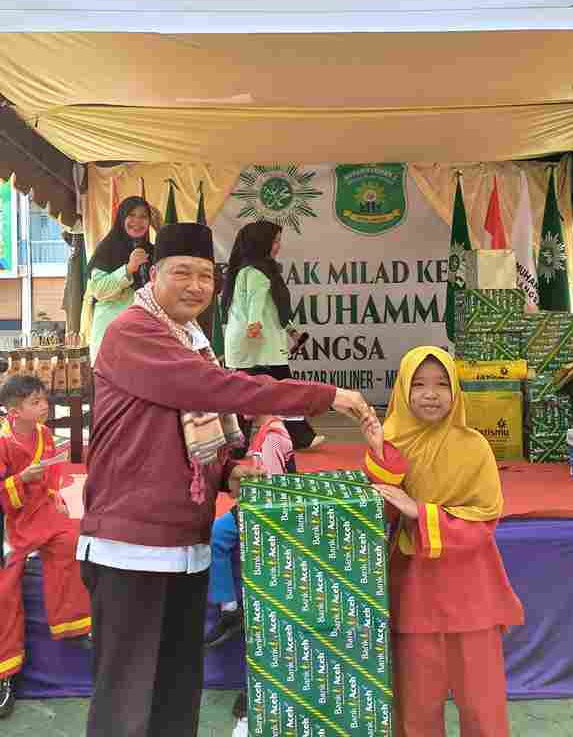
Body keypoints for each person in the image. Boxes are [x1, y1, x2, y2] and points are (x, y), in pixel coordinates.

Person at [77, 222, 369, 737]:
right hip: (131, 544)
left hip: (186, 542)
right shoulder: (133, 332)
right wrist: (324, 396)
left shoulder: (192, 340)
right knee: (126, 702)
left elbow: (188, 435)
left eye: (205, 276)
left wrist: (230, 470)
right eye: (182, 273)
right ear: (152, 275)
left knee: (175, 694)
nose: (195, 286)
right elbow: (215, 389)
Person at [360, 346, 524, 737]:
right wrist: (379, 454)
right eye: (418, 384)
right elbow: (379, 517)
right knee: (415, 706)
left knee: (482, 705)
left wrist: (421, 511)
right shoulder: (391, 442)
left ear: (455, 391)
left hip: (472, 591)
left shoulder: (474, 447)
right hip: (414, 590)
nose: (430, 394)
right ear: (402, 390)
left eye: (441, 384)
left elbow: (483, 522)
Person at [0, 375, 92, 720]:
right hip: (14, 518)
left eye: (44, 400)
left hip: (43, 512)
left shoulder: (44, 434)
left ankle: (74, 624)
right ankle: (5, 672)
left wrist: (55, 497)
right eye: (35, 402)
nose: (45, 407)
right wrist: (20, 480)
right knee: (5, 589)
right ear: (15, 411)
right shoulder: (3, 442)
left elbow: (53, 478)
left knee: (74, 541)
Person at [205, 415, 295, 737]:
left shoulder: (272, 437)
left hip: (265, 519)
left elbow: (272, 490)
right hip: (259, 513)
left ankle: (230, 609)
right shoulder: (266, 431)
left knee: (217, 537)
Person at [221, 220, 325, 451]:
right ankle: (298, 437)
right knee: (281, 390)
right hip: (256, 344)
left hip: (253, 343)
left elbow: (273, 310)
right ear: (261, 242)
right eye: (275, 241)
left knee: (247, 393)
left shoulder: (251, 270)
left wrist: (292, 332)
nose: (278, 246)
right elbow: (255, 302)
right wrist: (254, 324)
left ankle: (238, 444)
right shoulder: (257, 272)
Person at [85, 196, 153, 365]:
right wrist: (128, 269)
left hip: (144, 337)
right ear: (122, 218)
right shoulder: (107, 248)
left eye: (143, 216)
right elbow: (99, 290)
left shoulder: (151, 250)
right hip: (112, 337)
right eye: (132, 215)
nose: (137, 222)